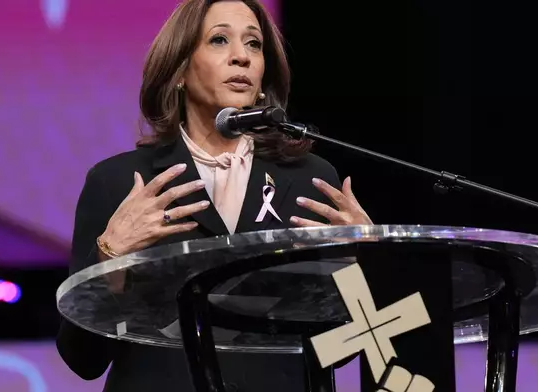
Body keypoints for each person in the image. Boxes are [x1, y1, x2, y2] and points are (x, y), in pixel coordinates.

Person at [55, 0, 372, 391]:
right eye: (219, 40)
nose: (241, 57)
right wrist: (111, 257)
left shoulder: (312, 182)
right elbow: (82, 360)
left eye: (254, 45)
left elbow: (342, 349)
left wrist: (370, 268)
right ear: (179, 71)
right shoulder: (119, 182)